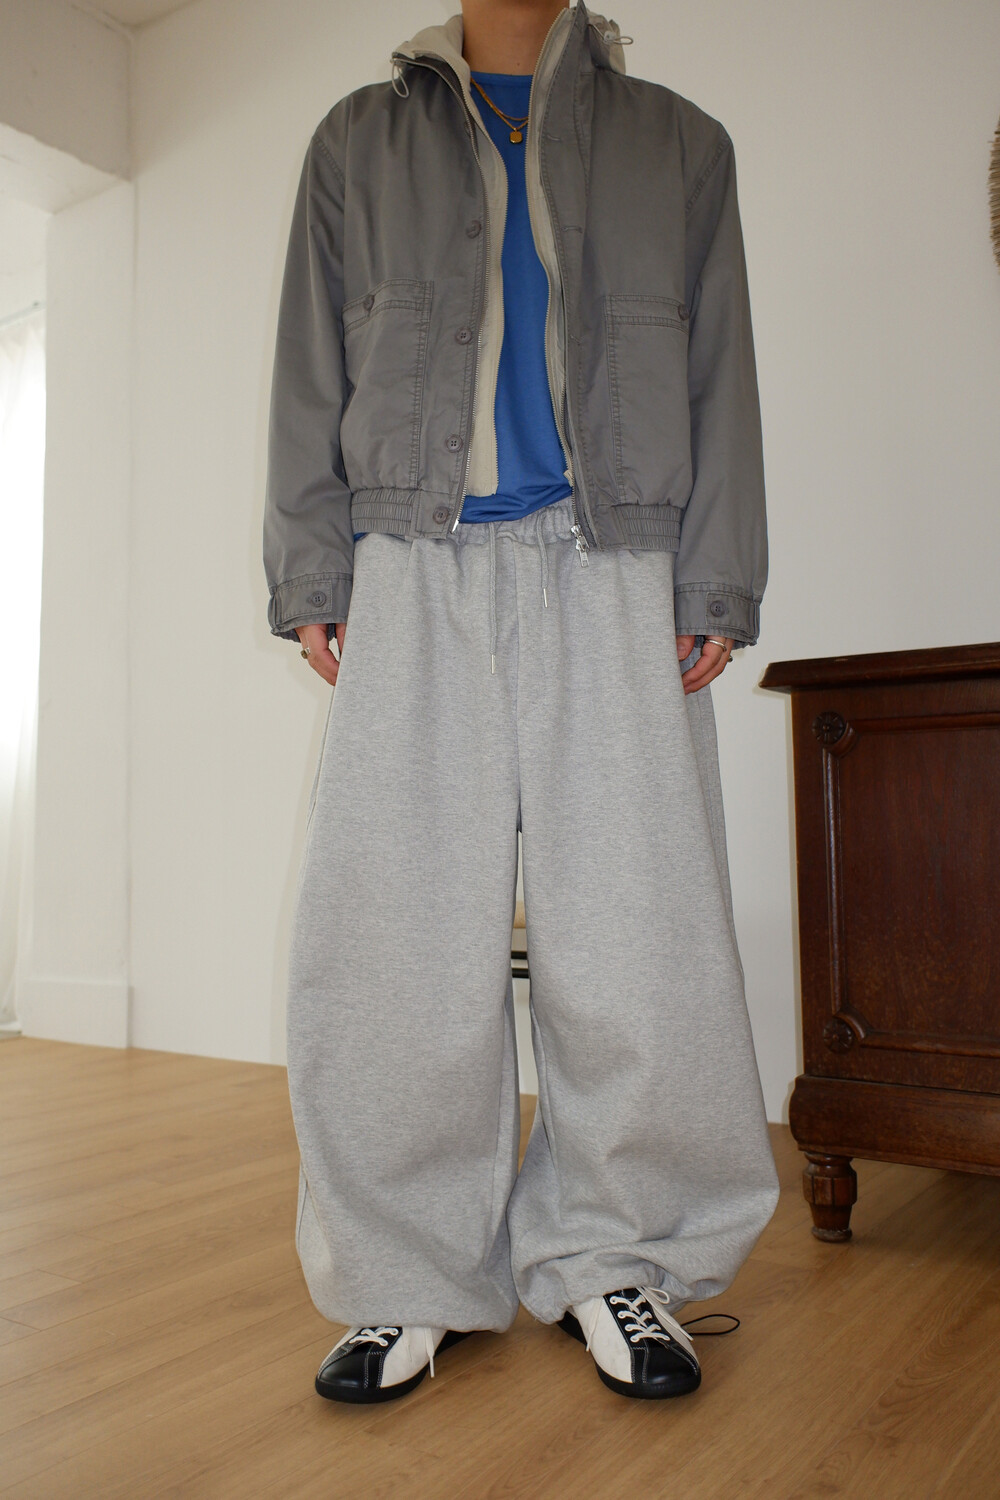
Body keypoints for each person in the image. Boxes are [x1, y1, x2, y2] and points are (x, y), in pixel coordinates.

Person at [263, 0, 780, 1404]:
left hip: (619, 562)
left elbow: (723, 369)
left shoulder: (680, 143)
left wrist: (717, 578)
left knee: (642, 937)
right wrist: (312, 568)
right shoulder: (356, 142)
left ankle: (620, 1258)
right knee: (389, 937)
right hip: (408, 560)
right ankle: (402, 1273)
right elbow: (310, 368)